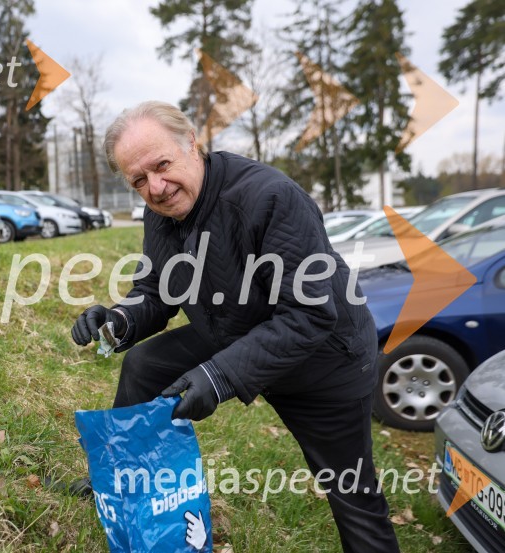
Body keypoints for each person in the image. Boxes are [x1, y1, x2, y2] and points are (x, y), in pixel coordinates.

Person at [70, 101, 399, 552]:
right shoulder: (160, 213)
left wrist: (219, 375)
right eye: (139, 181)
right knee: (145, 364)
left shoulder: (270, 198)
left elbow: (309, 315)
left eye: (162, 166)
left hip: (325, 361)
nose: (157, 188)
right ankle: (116, 483)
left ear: (192, 142)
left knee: (352, 493)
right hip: (235, 330)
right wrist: (118, 319)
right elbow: (155, 290)